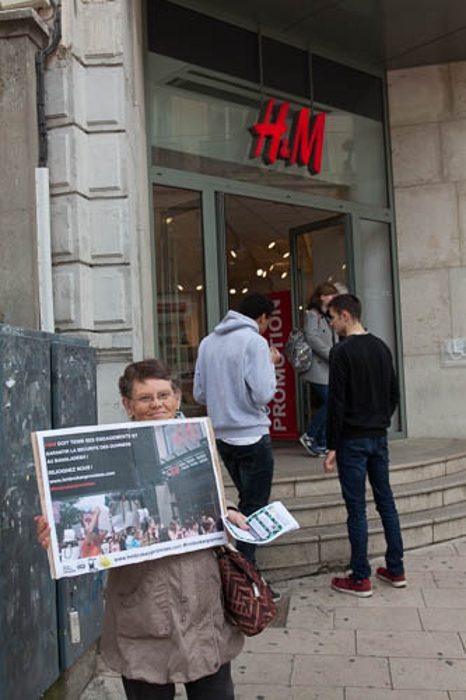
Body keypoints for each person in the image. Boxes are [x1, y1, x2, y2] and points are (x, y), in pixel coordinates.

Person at [36, 358, 249, 700]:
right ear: (128, 405)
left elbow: (220, 497)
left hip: (201, 601)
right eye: (145, 398)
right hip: (142, 605)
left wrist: (232, 511)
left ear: (177, 398)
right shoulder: (106, 452)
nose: (157, 404)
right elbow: (89, 519)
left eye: (164, 395)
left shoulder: (198, 439)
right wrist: (57, 534)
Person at [323, 294, 405, 597]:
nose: (331, 324)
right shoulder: (381, 347)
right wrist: (380, 420)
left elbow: (337, 403)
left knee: (356, 508)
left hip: (352, 440)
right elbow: (394, 393)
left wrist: (332, 445)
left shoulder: (341, 351)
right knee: (386, 501)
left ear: (345, 315)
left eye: (332, 317)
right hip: (378, 437)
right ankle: (396, 568)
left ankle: (360, 577)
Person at [193, 293, 280, 567]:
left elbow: (199, 394)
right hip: (252, 434)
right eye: (267, 322)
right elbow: (263, 394)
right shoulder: (255, 342)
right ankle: (245, 569)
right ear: (262, 317)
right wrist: (270, 364)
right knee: (254, 506)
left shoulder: (208, 342)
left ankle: (239, 563)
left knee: (247, 501)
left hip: (222, 437)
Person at [299, 282, 339, 457]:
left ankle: (322, 441)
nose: (334, 298)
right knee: (331, 402)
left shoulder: (329, 315)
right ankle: (310, 435)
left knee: (332, 404)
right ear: (322, 297)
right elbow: (312, 338)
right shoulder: (312, 315)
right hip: (318, 367)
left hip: (329, 367)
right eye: (331, 295)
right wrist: (332, 354)